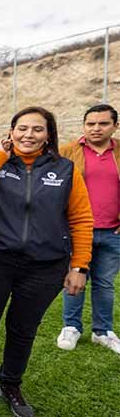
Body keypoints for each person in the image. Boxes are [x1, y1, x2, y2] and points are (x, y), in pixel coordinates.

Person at [0, 106, 93, 417]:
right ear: (12, 132)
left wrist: (79, 266)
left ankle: (10, 384)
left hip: (45, 266)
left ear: (48, 135)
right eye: (22, 128)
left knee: (23, 327)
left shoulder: (66, 169)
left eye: (37, 129)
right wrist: (0, 157)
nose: (29, 134)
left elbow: (81, 219)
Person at [57, 104, 120, 354]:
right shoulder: (69, 151)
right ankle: (71, 327)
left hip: (112, 232)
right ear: (84, 126)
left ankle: (102, 331)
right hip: (76, 230)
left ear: (115, 126)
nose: (96, 128)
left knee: (105, 283)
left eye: (103, 123)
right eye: (90, 124)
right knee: (74, 280)